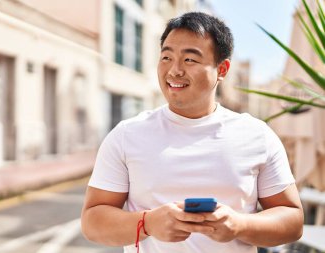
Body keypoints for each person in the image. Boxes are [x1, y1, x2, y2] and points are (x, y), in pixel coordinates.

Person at [81, 12, 303, 253]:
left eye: (190, 60)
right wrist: (148, 223)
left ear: (222, 69)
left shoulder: (257, 135)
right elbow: (92, 221)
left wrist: (239, 225)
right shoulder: (126, 135)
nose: (174, 70)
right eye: (166, 57)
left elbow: (292, 220)